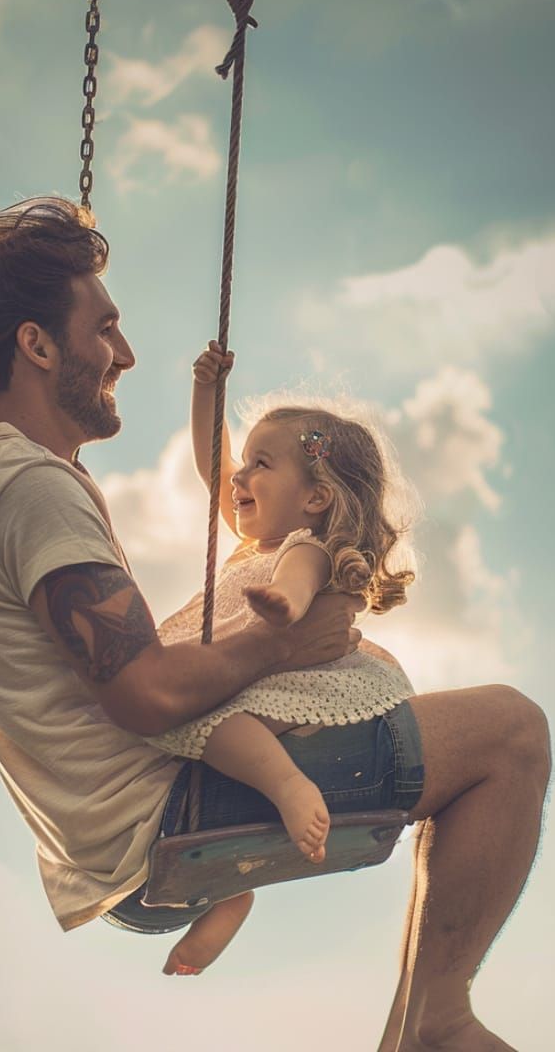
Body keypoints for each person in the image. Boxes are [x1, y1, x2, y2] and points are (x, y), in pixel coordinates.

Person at [0, 196, 551, 1052]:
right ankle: (436, 1024)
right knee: (511, 736)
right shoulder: (27, 488)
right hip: (168, 813)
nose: (125, 353)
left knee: (480, 736)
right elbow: (148, 695)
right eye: (104, 329)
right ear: (36, 345)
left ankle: (416, 1031)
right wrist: (286, 640)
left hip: (112, 849)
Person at [141, 340, 421, 975]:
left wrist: (282, 612)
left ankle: (290, 787)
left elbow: (299, 581)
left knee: (209, 725)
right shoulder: (251, 541)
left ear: (316, 497)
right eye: (246, 463)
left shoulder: (301, 546)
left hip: (287, 685)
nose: (240, 479)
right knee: (205, 738)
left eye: (261, 465)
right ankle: (233, 891)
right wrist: (207, 392)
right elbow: (212, 468)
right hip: (251, 673)